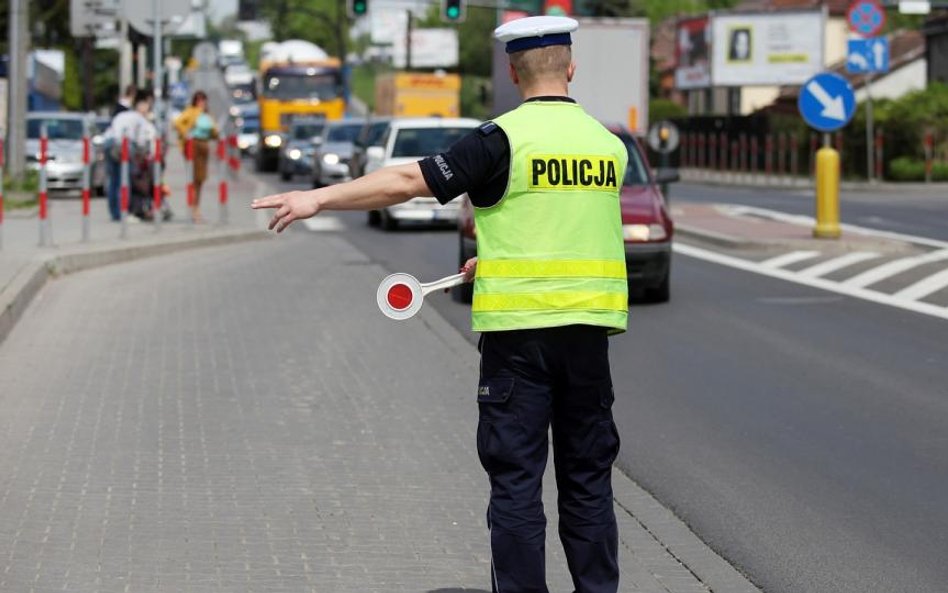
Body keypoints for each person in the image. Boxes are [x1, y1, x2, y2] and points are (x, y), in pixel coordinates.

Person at [252, 16, 629, 593]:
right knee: (588, 484)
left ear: (512, 70)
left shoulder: (502, 139)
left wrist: (317, 198)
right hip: (588, 339)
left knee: (517, 487)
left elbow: (407, 181)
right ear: (571, 68)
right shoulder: (608, 146)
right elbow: (567, 228)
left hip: (518, 343)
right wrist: (497, 263)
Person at [104, 89, 158, 221]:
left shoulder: (123, 115)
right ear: (141, 105)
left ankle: (115, 213)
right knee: (124, 180)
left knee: (114, 180)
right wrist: (144, 155)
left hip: (109, 143)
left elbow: (112, 129)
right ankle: (123, 213)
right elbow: (141, 142)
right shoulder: (139, 119)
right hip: (123, 145)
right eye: (146, 105)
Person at [173, 91, 219, 223]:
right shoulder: (191, 111)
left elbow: (213, 131)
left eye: (203, 100)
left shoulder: (207, 115)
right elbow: (178, 123)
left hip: (204, 145)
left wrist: (216, 134)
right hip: (194, 145)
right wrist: (186, 132)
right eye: (199, 100)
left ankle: (196, 208)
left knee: (200, 179)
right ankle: (194, 210)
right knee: (194, 179)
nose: (202, 103)